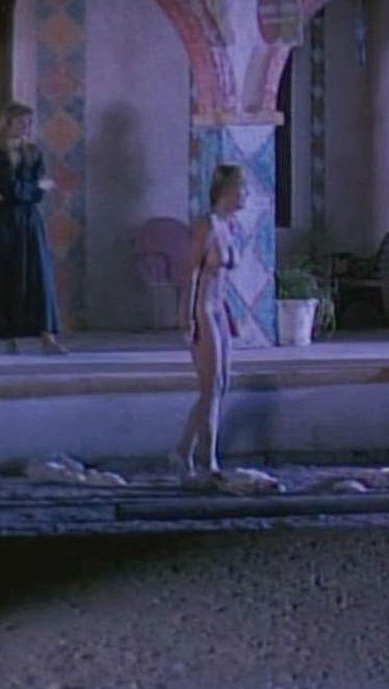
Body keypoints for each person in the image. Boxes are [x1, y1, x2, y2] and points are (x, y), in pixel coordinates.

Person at [172, 164, 244, 486]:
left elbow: (223, 278)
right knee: (210, 385)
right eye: (242, 188)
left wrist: (230, 313)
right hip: (202, 309)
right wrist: (187, 317)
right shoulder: (208, 226)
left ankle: (183, 450)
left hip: (219, 309)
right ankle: (207, 457)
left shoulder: (230, 226)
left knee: (220, 385)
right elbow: (192, 274)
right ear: (227, 190)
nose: (246, 195)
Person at [0, 102, 66, 354]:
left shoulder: (34, 152)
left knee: (39, 276)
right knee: (5, 274)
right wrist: (35, 188)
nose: (26, 128)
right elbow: (12, 186)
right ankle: (9, 337)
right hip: (1, 222)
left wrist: (31, 190)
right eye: (21, 123)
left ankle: (48, 338)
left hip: (29, 220)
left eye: (28, 123)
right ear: (7, 124)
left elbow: (29, 192)